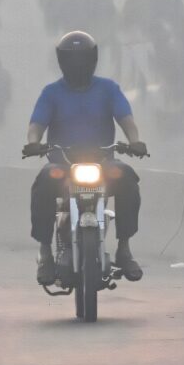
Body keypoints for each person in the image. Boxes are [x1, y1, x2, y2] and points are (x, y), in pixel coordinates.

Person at [22, 31, 148, 285]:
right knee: (44, 181)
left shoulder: (108, 89)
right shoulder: (51, 93)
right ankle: (45, 252)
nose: (77, 65)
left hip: (104, 165)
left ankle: (124, 248)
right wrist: (33, 143)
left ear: (92, 59)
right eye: (72, 59)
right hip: (62, 167)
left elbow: (127, 120)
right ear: (62, 61)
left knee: (126, 177)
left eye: (82, 59)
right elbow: (36, 124)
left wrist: (135, 141)